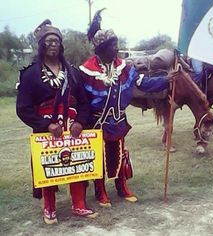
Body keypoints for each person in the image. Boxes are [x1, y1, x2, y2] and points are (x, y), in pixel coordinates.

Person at [78, 10, 175, 207]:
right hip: (96, 123)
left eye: (116, 44)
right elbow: (80, 99)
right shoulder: (87, 70)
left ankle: (122, 188)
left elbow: (143, 83)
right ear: (103, 48)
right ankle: (100, 192)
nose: (117, 48)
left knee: (119, 154)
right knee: (99, 157)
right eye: (113, 45)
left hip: (118, 122)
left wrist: (166, 80)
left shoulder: (124, 67)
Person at [16, 19, 97, 224]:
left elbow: (85, 102)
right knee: (48, 165)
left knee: (76, 164)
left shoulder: (72, 72)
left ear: (61, 45)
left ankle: (79, 204)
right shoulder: (30, 74)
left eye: (56, 41)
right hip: (46, 131)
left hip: (72, 131)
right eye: (48, 41)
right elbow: (23, 109)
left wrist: (79, 121)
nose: (53, 44)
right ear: (41, 44)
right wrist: (46, 125)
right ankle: (49, 207)